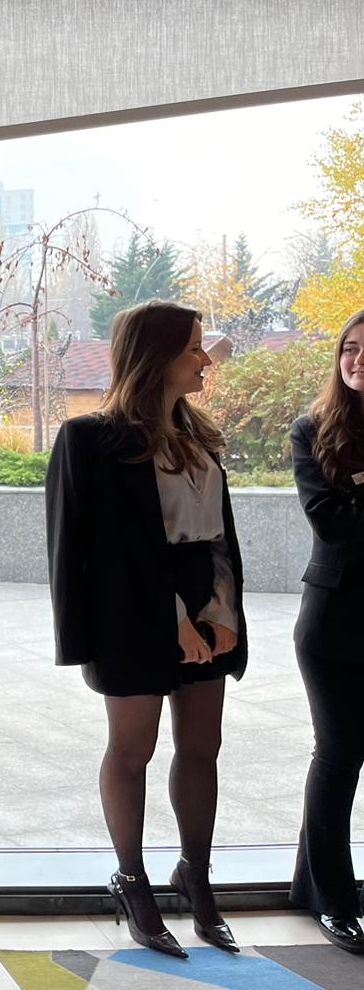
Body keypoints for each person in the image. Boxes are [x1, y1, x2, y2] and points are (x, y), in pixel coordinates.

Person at [46, 300, 247, 959]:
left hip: (206, 600)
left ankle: (196, 876)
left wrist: (220, 610)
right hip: (129, 610)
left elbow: (217, 535)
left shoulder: (200, 436)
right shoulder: (89, 438)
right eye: (193, 347)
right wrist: (170, 618)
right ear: (157, 356)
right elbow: (92, 551)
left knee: (202, 747)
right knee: (133, 749)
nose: (205, 359)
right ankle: (132, 882)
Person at [289, 306, 364, 954]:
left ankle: (313, 883)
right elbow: (332, 523)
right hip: (335, 621)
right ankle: (335, 902)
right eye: (349, 348)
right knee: (339, 754)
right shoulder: (312, 429)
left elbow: (350, 511)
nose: (357, 360)